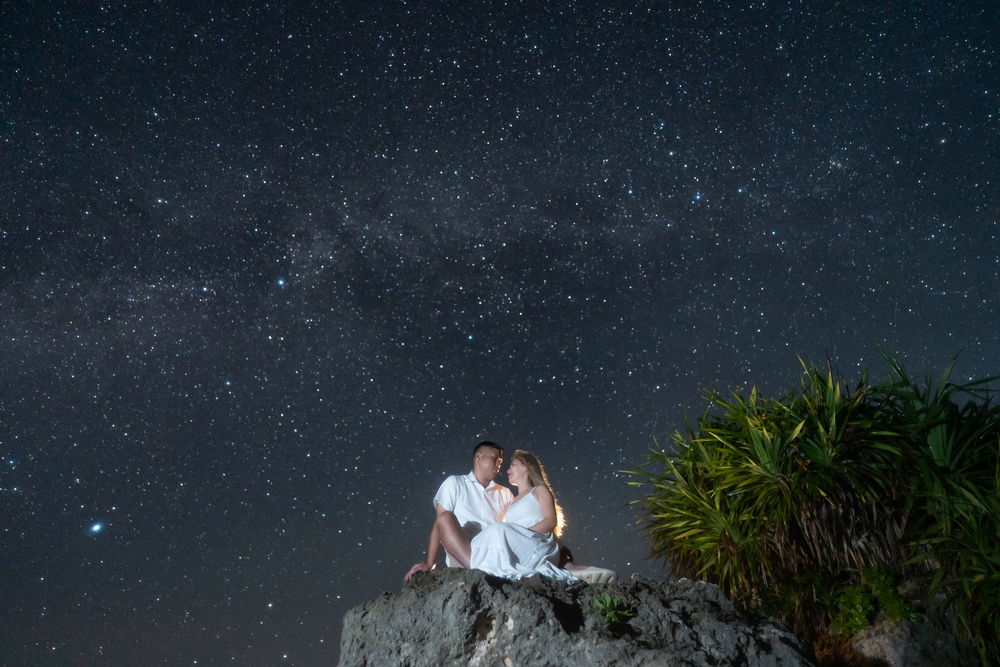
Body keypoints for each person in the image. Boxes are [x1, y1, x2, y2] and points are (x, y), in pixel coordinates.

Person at [404, 441, 514, 581]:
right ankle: (478, 570)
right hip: (463, 552)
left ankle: (487, 571)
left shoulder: (505, 493)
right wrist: (430, 564)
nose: (498, 464)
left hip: (493, 552)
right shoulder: (454, 483)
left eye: (501, 461)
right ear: (479, 457)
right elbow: (440, 525)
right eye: (495, 458)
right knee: (444, 517)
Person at [467, 449, 580, 583]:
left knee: (497, 528)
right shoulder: (512, 501)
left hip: (536, 543)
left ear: (526, 467)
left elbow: (550, 521)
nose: (507, 470)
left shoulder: (539, 490)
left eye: (513, 465)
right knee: (481, 538)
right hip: (519, 545)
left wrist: (522, 533)